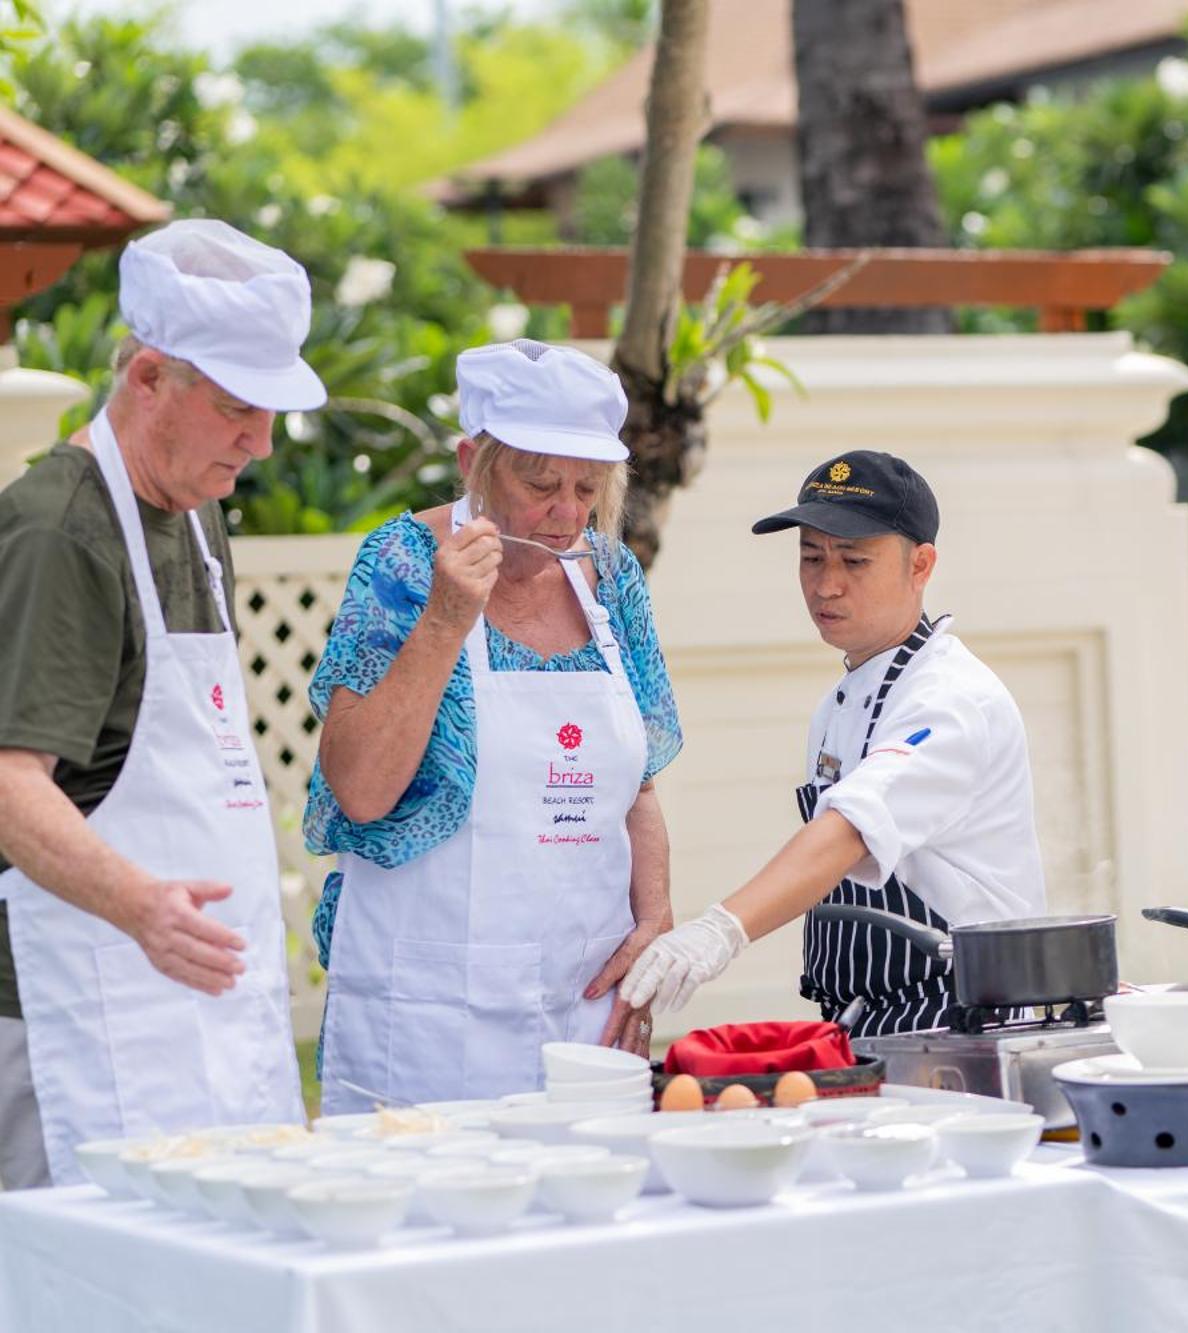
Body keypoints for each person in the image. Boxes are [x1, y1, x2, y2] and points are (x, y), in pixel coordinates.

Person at [0, 220, 323, 1186]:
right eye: (236, 409)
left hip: (197, 1001)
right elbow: (13, 785)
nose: (260, 443)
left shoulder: (193, 506)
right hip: (71, 1007)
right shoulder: (61, 530)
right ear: (148, 380)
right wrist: (142, 905)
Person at [309, 340, 683, 1112]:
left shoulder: (611, 577)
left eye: (588, 487)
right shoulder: (403, 565)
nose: (567, 513)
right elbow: (360, 791)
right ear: (472, 459)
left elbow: (636, 784)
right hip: (431, 1016)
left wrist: (654, 924)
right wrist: (446, 620)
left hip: (583, 1005)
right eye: (541, 483)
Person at [619, 451, 1045, 1037]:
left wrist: (719, 930)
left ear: (921, 566)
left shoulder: (949, 698)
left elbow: (847, 831)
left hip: (961, 1018)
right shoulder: (842, 700)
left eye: (854, 560)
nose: (826, 584)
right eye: (811, 557)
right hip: (872, 1016)